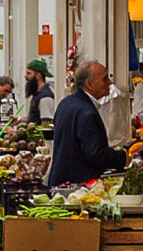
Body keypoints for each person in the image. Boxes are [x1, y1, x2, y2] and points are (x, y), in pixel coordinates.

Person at [47, 59, 130, 188]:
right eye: (105, 79)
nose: (109, 82)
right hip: (77, 186)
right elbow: (96, 153)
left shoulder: (66, 103)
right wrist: (122, 157)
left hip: (62, 182)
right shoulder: (87, 112)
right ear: (89, 84)